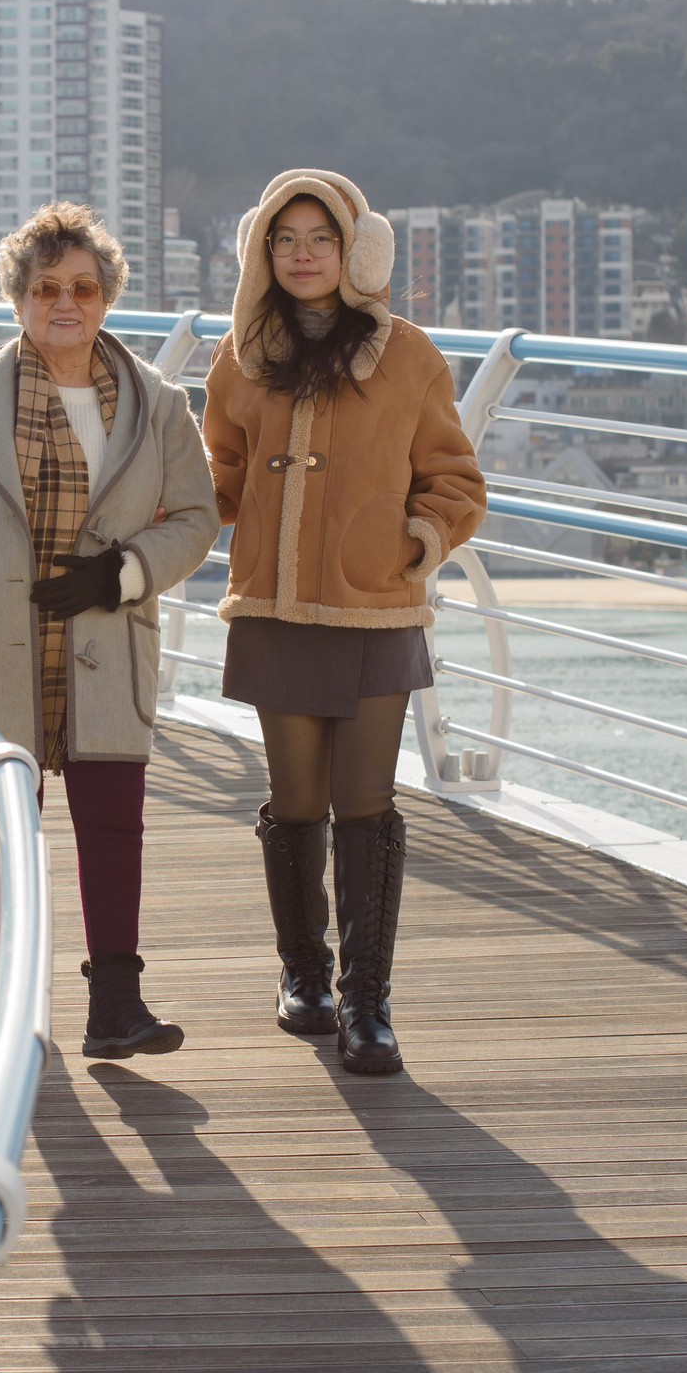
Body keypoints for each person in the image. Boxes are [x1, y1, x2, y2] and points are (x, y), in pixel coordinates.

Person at [0, 201, 219, 1059]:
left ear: (107, 298)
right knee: (4, 816)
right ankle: (16, 1009)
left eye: (82, 287)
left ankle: (117, 1003)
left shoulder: (159, 404)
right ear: (18, 300)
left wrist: (123, 573)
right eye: (45, 288)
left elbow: (197, 515)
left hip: (106, 633)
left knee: (113, 820)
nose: (65, 303)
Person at [205, 169, 486, 1076]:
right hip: (274, 606)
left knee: (366, 800)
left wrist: (414, 539)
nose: (302, 255)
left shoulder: (409, 355)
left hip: (375, 606)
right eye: (284, 239)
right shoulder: (241, 356)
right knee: (296, 801)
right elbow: (216, 476)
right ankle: (304, 975)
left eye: (319, 238)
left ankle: (369, 1001)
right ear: (262, 250)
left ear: (356, 249)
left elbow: (456, 479)